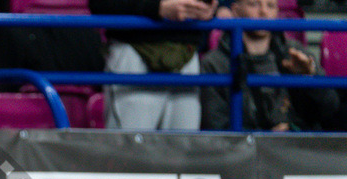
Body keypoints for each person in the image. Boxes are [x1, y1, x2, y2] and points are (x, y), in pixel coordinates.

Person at [200, 0, 339, 131]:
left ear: (277, 11)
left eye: (270, 5)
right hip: (243, 152)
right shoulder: (214, 63)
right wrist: (263, 139)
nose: (264, 12)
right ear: (236, 10)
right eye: (254, 4)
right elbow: (216, 127)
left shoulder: (296, 53)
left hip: (296, 149)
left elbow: (329, 109)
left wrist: (310, 77)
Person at [89, 0, 218, 130]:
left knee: (183, 145)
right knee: (130, 147)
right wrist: (157, 7)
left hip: (187, 54)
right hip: (134, 54)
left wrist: (208, 6)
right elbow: (100, 5)